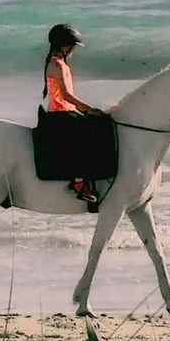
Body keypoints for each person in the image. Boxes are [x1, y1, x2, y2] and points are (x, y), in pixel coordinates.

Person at [41, 23, 112, 210]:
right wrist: (88, 109)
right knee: (89, 134)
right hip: (60, 115)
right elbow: (66, 96)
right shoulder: (57, 65)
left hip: (65, 111)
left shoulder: (59, 63)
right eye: (72, 47)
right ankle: (79, 182)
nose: (74, 51)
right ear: (65, 46)